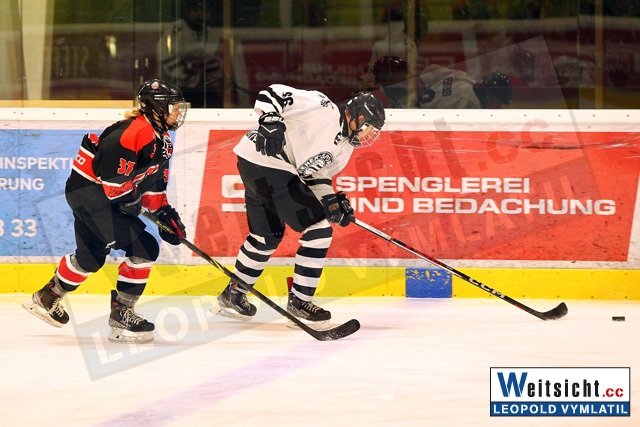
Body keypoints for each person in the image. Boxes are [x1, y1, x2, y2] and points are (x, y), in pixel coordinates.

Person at [22, 79, 189, 344]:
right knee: (144, 247)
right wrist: (131, 199)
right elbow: (112, 182)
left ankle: (47, 296)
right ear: (157, 107)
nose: (178, 112)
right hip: (91, 196)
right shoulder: (132, 133)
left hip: (94, 196)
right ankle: (122, 314)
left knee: (90, 258)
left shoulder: (162, 139)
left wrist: (165, 214)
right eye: (174, 106)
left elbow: (152, 184)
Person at [212, 86, 386, 327]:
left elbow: (313, 176)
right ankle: (300, 302)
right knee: (318, 230)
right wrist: (270, 120)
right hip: (265, 161)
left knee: (266, 237)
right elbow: (272, 93)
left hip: (258, 166)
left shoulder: (345, 148)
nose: (368, 133)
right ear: (355, 114)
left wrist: (332, 202)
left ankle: (233, 293)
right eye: (368, 125)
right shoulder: (320, 106)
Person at [157, 0, 223, 108]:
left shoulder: (213, 34)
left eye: (203, 10)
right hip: (179, 87)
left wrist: (210, 76)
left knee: (216, 108)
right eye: (195, 9)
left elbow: (215, 64)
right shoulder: (176, 29)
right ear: (188, 11)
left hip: (203, 88)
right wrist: (193, 76)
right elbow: (166, 57)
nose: (199, 13)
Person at [417, 64, 513, 109]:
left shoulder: (464, 77)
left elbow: (429, 70)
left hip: (415, 107)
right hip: (422, 125)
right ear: (489, 96)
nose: (498, 108)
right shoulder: (472, 108)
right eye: (498, 103)